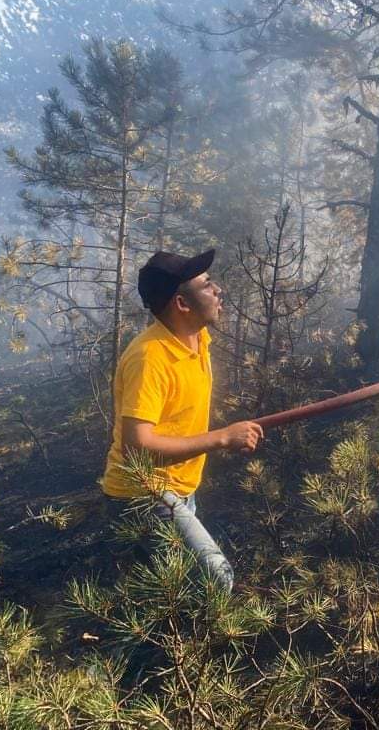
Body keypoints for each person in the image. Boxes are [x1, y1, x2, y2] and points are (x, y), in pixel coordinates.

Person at [101, 249, 263, 591]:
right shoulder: (150, 358)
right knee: (216, 579)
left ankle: (171, 643)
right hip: (143, 493)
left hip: (176, 489)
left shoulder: (196, 337)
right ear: (182, 304)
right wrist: (222, 437)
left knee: (166, 595)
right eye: (207, 285)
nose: (218, 290)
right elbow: (137, 450)